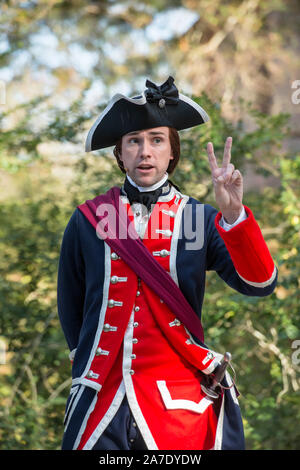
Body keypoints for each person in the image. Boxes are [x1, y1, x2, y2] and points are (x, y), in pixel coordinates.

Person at [57, 76, 277, 451]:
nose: (145, 152)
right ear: (120, 153)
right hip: (101, 394)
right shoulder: (89, 218)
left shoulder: (200, 217)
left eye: (157, 140)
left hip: (176, 402)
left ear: (171, 152)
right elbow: (71, 302)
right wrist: (87, 360)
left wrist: (234, 216)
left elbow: (259, 283)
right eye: (134, 142)